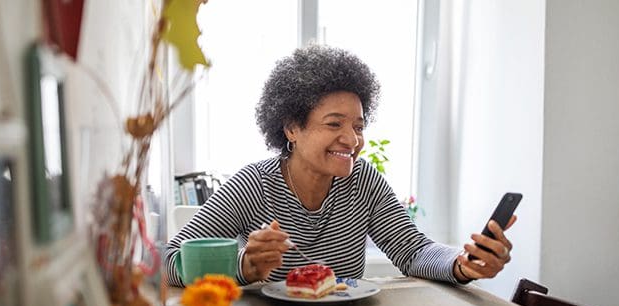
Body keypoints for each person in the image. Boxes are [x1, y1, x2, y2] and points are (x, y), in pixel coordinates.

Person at [166, 44, 516, 287]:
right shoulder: (254, 185)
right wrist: (244, 264)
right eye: (334, 124)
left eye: (358, 126)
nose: (352, 139)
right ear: (291, 128)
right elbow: (170, 261)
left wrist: (462, 264)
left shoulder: (364, 182)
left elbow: (413, 251)